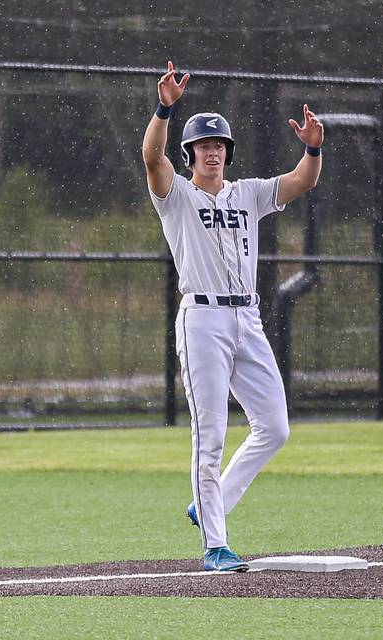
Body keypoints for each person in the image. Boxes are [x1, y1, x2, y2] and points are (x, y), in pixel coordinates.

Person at [142, 61, 324, 572]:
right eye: (204, 145)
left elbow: (302, 180)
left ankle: (208, 503)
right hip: (201, 319)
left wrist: (312, 146)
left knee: (274, 426)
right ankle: (215, 546)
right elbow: (151, 156)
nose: (213, 151)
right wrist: (165, 108)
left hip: (248, 319)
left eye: (219, 144)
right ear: (191, 154)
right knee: (211, 434)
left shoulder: (248, 193)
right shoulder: (176, 195)